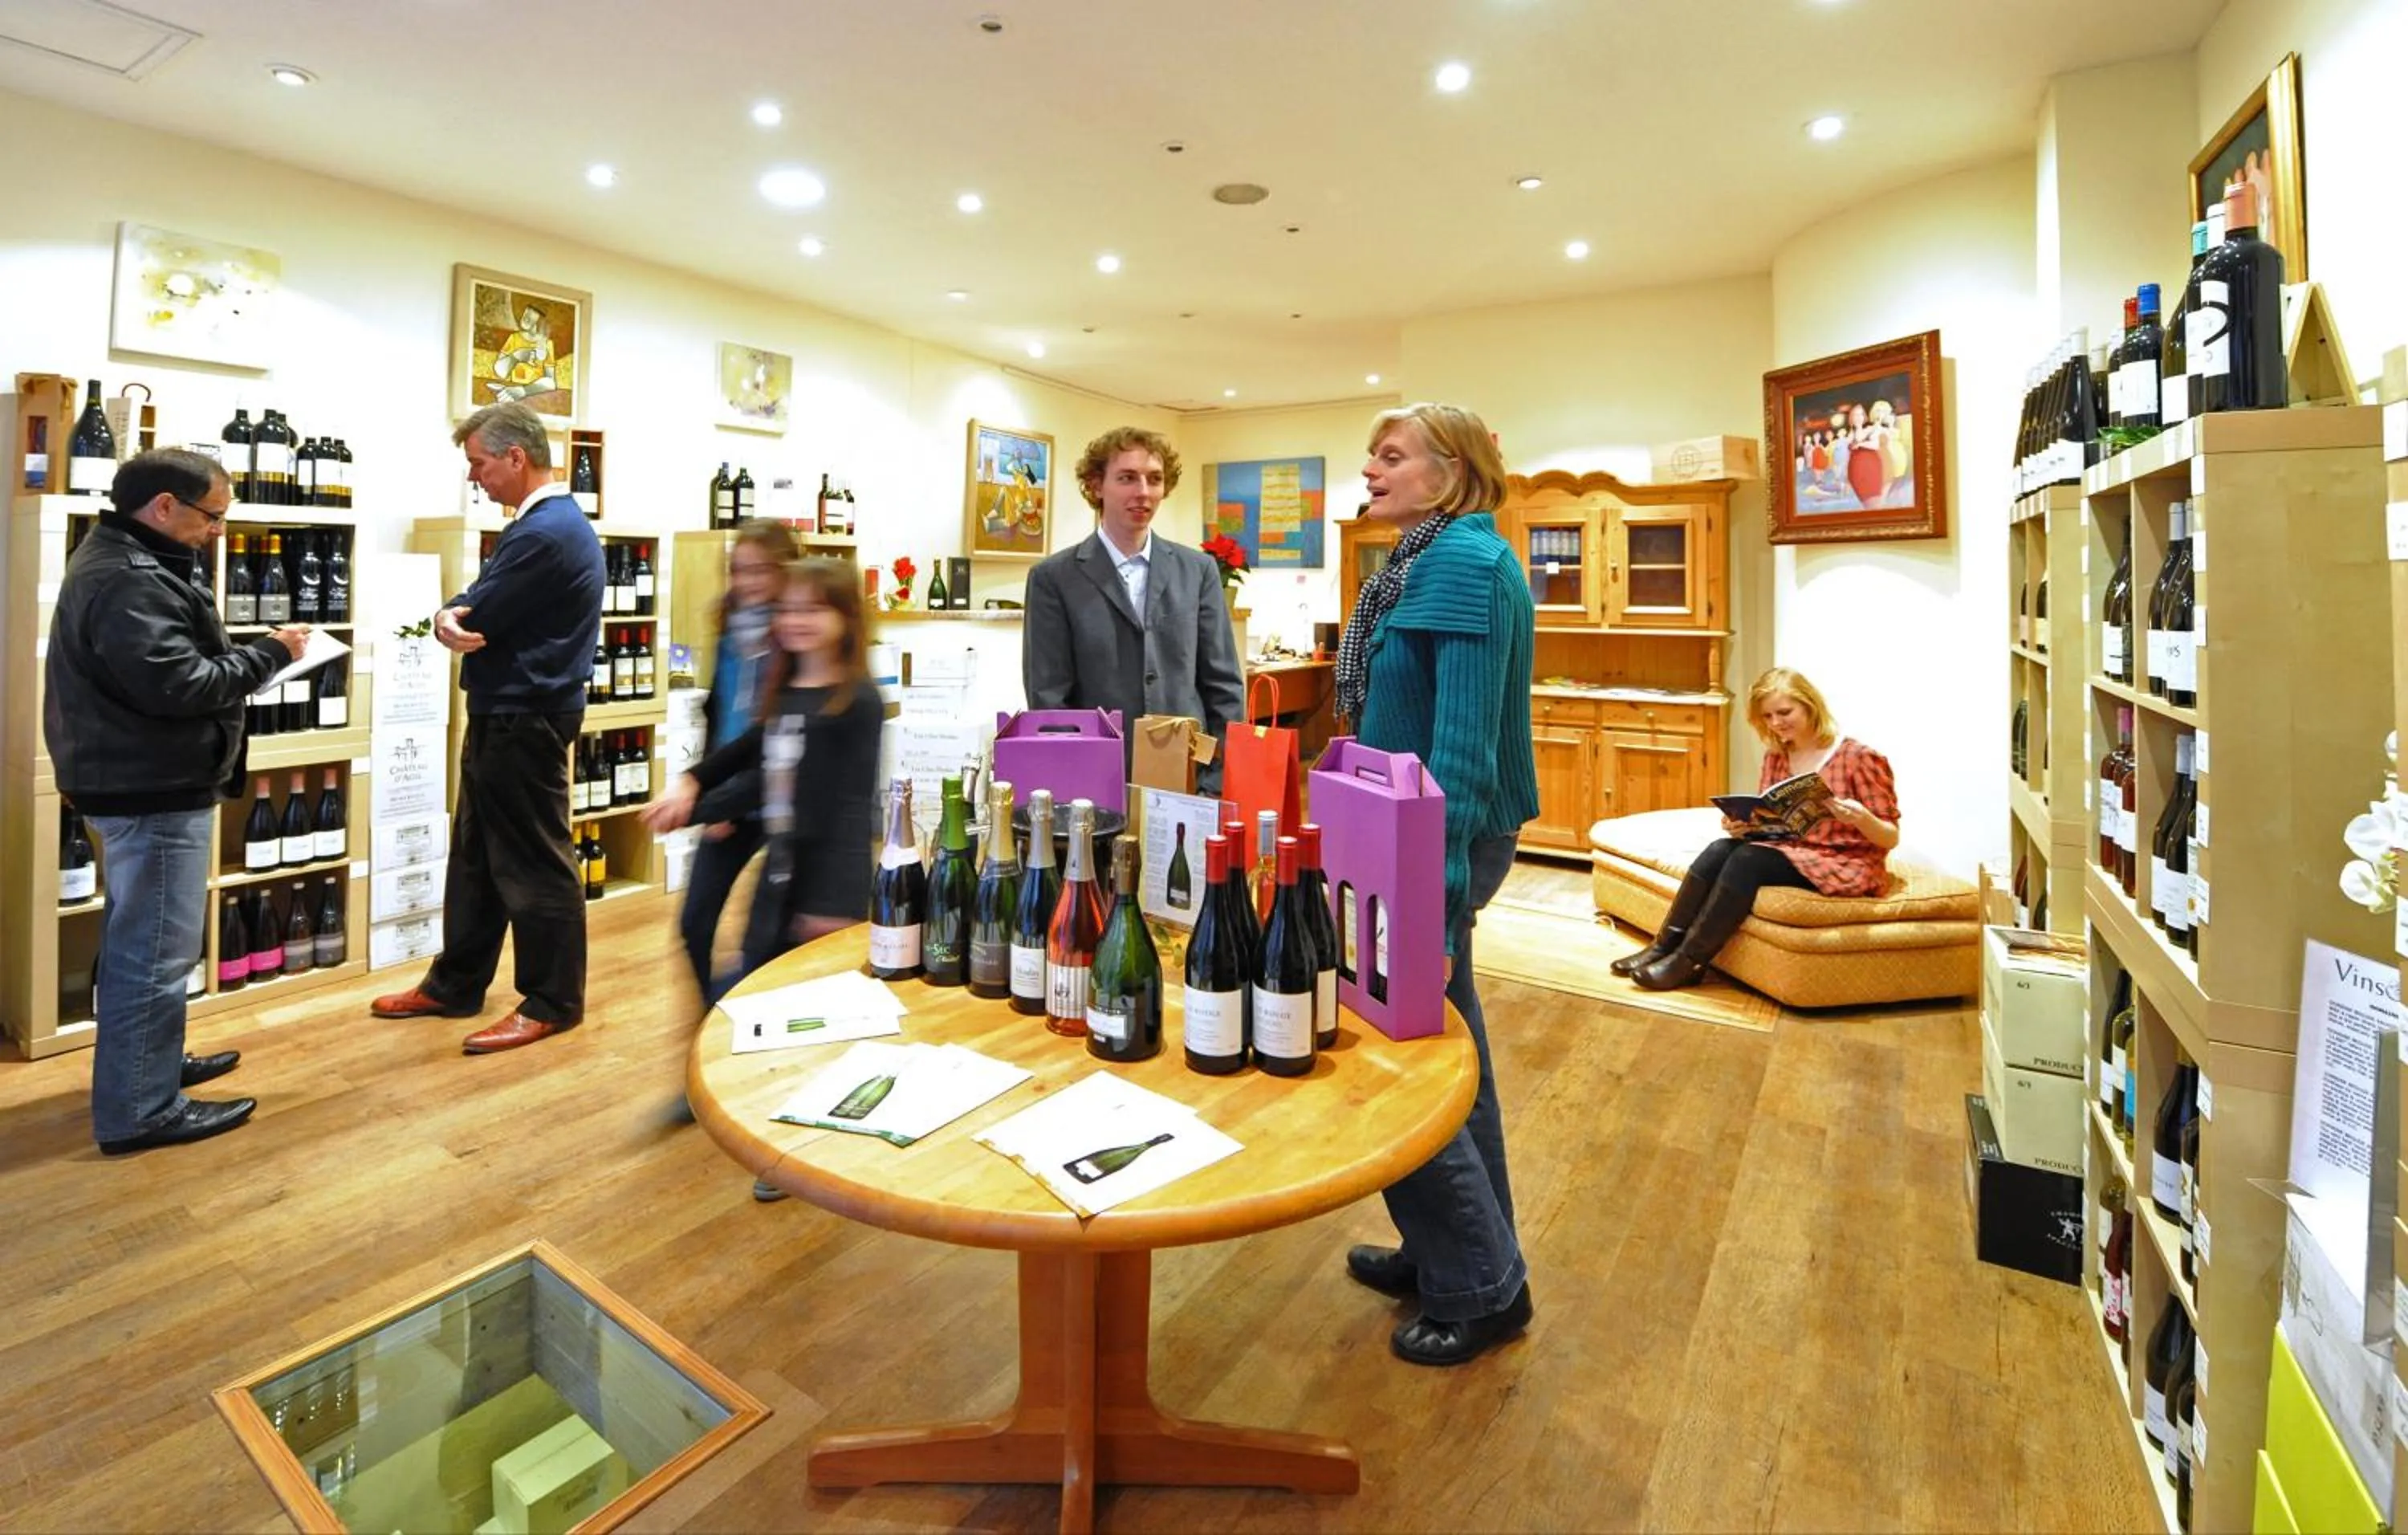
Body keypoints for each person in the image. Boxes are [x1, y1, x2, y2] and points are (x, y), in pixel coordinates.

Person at [1336, 403, 1540, 1367]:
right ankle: (1455, 1251)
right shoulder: (1433, 557)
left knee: (1406, 1052)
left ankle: (1481, 1283)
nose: (1371, 468)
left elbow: (1457, 746)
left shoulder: (1461, 562)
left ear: (1450, 469)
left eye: (1392, 454)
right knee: (1449, 1046)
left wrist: (1438, 893)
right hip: (1403, 828)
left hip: (1431, 837)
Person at [43, 448, 308, 1152]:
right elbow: (179, 684)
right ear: (164, 506)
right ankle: (141, 1108)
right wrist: (273, 654)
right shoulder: (130, 579)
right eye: (213, 516)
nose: (219, 531)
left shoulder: (127, 561)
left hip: (138, 777)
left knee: (147, 939)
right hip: (151, 787)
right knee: (155, 951)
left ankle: (149, 1065)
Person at [642, 559, 882, 1201]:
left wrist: (696, 806)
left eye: (813, 609)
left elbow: (839, 806)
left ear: (845, 620)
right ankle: (772, 1130)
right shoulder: (790, 690)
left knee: (799, 1015)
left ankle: (799, 1147)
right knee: (757, 1003)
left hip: (824, 887)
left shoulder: (854, 703)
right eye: (789, 609)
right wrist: (694, 784)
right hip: (781, 871)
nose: (796, 621)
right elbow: (749, 751)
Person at [371, 401, 604, 1053]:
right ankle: (456, 983)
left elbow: (480, 610)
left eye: (478, 464)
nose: (475, 478)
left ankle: (554, 1000)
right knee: (476, 856)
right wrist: (450, 615)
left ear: (515, 457)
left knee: (534, 861)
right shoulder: (541, 527)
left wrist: (452, 618)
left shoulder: (546, 532)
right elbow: (469, 600)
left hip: (524, 715)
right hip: (508, 710)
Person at [1611, 666, 1900, 991]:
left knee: (1748, 861)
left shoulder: (1858, 757)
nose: (1776, 723)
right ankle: (1663, 947)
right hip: (1792, 850)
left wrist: (1861, 818)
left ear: (1810, 706)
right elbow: (1771, 822)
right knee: (1721, 849)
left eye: (1784, 712)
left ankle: (1689, 961)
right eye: (1767, 716)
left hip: (1844, 860)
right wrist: (1742, 827)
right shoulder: (1777, 757)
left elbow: (1890, 836)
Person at [1021, 425, 1245, 787]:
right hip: (1097, 782)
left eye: (1154, 480)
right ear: (1096, 486)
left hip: (1188, 777)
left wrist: (1216, 781)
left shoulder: (1197, 570)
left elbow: (1223, 685)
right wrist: (1074, 781)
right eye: (1127, 478)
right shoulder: (1053, 578)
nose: (1143, 492)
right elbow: (1049, 699)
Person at [675, 520, 800, 1001]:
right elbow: (717, 710)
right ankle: (710, 1023)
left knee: (767, 934)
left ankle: (738, 1034)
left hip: (783, 798)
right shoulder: (729, 631)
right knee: (695, 922)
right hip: (732, 796)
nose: (747, 582)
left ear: (786, 570)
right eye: (738, 570)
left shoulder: (799, 633)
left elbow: (774, 734)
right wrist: (709, 794)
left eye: (760, 571)